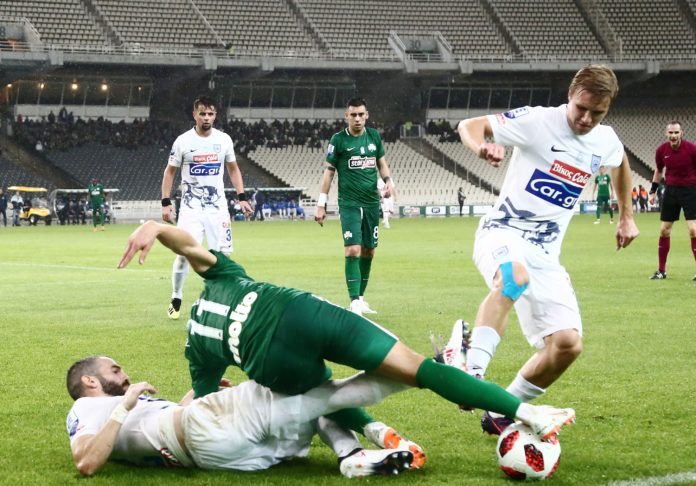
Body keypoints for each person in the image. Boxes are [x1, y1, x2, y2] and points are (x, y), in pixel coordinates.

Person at [118, 221, 577, 447]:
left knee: (326, 397)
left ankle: (375, 434)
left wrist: (195, 405)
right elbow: (188, 245)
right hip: (299, 312)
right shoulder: (221, 276)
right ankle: (528, 413)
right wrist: (154, 227)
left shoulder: (196, 349)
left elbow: (202, 404)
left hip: (270, 361)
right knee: (416, 367)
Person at [455, 64, 638, 435]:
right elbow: (470, 125)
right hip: (503, 231)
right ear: (570, 95)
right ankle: (471, 372)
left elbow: (619, 163)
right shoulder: (537, 121)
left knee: (568, 345)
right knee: (513, 277)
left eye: (597, 113)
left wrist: (626, 217)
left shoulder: (605, 139)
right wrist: (481, 146)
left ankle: (501, 412)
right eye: (581, 108)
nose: (586, 119)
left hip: (546, 254)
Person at [65, 355, 420, 478]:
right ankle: (427, 371)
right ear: (90, 381)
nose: (125, 375)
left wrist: (195, 393)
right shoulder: (86, 407)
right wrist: (124, 405)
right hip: (201, 430)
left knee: (314, 411)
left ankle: (352, 455)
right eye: (115, 370)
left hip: (216, 454)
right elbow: (85, 462)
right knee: (310, 390)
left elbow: (160, 422)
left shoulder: (128, 407)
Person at [161, 95, 252, 320]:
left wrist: (242, 197)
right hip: (191, 210)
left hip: (217, 209)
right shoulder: (183, 141)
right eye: (202, 113)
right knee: (184, 254)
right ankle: (176, 297)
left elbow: (233, 169)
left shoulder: (224, 140)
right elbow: (170, 172)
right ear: (195, 114)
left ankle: (219, 301)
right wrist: (166, 202)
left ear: (215, 115)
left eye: (210, 114)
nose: (206, 118)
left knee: (223, 256)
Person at [315, 97, 395, 315]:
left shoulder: (374, 136)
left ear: (366, 115)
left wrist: (388, 181)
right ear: (346, 116)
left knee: (369, 251)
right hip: (349, 203)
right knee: (353, 249)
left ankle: (360, 298)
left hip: (371, 203)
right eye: (353, 115)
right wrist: (321, 204)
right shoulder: (338, 140)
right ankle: (353, 301)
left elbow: (381, 163)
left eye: (361, 114)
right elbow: (329, 172)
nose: (357, 118)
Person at [648, 121, 696, 280]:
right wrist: (653, 191)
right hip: (671, 191)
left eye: (676, 132)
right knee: (664, 230)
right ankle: (661, 271)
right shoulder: (661, 151)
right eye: (671, 132)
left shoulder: (692, 149)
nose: (673, 135)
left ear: (681, 133)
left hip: (690, 190)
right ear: (666, 134)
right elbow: (658, 170)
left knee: (693, 230)